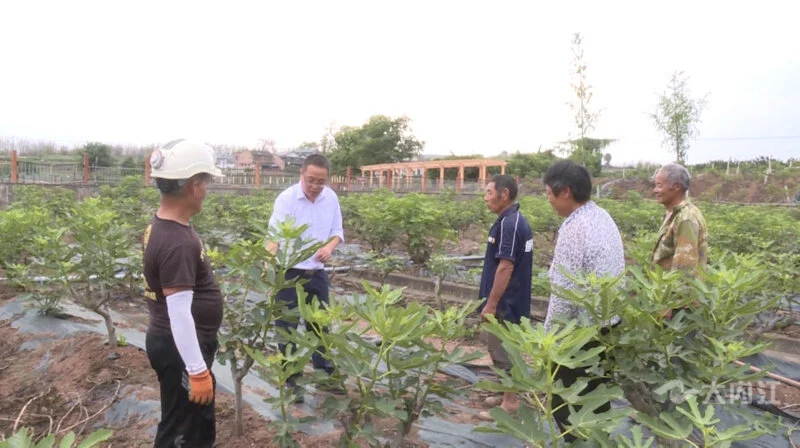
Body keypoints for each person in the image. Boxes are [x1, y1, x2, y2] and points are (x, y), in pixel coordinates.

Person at [142, 139, 224, 448]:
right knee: (183, 432)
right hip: (181, 351)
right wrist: (197, 370)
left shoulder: (164, 226)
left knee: (183, 423)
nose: (207, 190)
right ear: (192, 185)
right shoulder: (176, 241)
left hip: (175, 347)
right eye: (205, 183)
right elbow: (179, 314)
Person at [542, 160, 625, 442]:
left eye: (548, 194)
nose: (548, 200)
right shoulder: (603, 217)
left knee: (568, 406)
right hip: (608, 326)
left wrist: (549, 339)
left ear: (565, 192)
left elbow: (565, 293)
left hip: (578, 335)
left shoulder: (574, 228)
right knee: (596, 400)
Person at [267, 153, 344, 403]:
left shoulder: (330, 198)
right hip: (288, 273)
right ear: (301, 173)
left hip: (317, 273)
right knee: (287, 328)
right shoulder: (287, 199)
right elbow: (274, 237)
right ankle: (293, 380)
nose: (315, 186)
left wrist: (330, 248)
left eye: (320, 181)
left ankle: (325, 375)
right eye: (311, 180)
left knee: (320, 326)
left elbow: (337, 233)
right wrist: (267, 269)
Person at [477, 174, 534, 418]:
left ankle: (510, 402)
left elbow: (505, 267)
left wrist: (491, 305)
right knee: (500, 349)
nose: (486, 197)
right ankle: (505, 393)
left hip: (506, 303)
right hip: (509, 300)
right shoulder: (509, 220)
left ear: (505, 194)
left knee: (504, 352)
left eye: (490, 192)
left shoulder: (509, 224)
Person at [652, 163, 708, 273]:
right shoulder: (674, 214)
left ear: (677, 187)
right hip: (663, 287)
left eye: (659, 185)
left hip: (674, 288)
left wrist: (676, 290)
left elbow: (683, 272)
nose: (655, 190)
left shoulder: (686, 219)